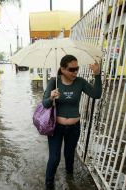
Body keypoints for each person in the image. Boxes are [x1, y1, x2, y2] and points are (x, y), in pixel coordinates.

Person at [42, 54, 102, 190]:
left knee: (69, 155)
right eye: (71, 69)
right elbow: (44, 104)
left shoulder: (80, 82)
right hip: (56, 128)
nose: (75, 72)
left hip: (74, 128)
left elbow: (96, 94)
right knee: (54, 157)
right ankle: (49, 185)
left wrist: (97, 75)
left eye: (77, 69)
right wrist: (51, 97)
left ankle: (70, 179)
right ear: (62, 69)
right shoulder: (54, 81)